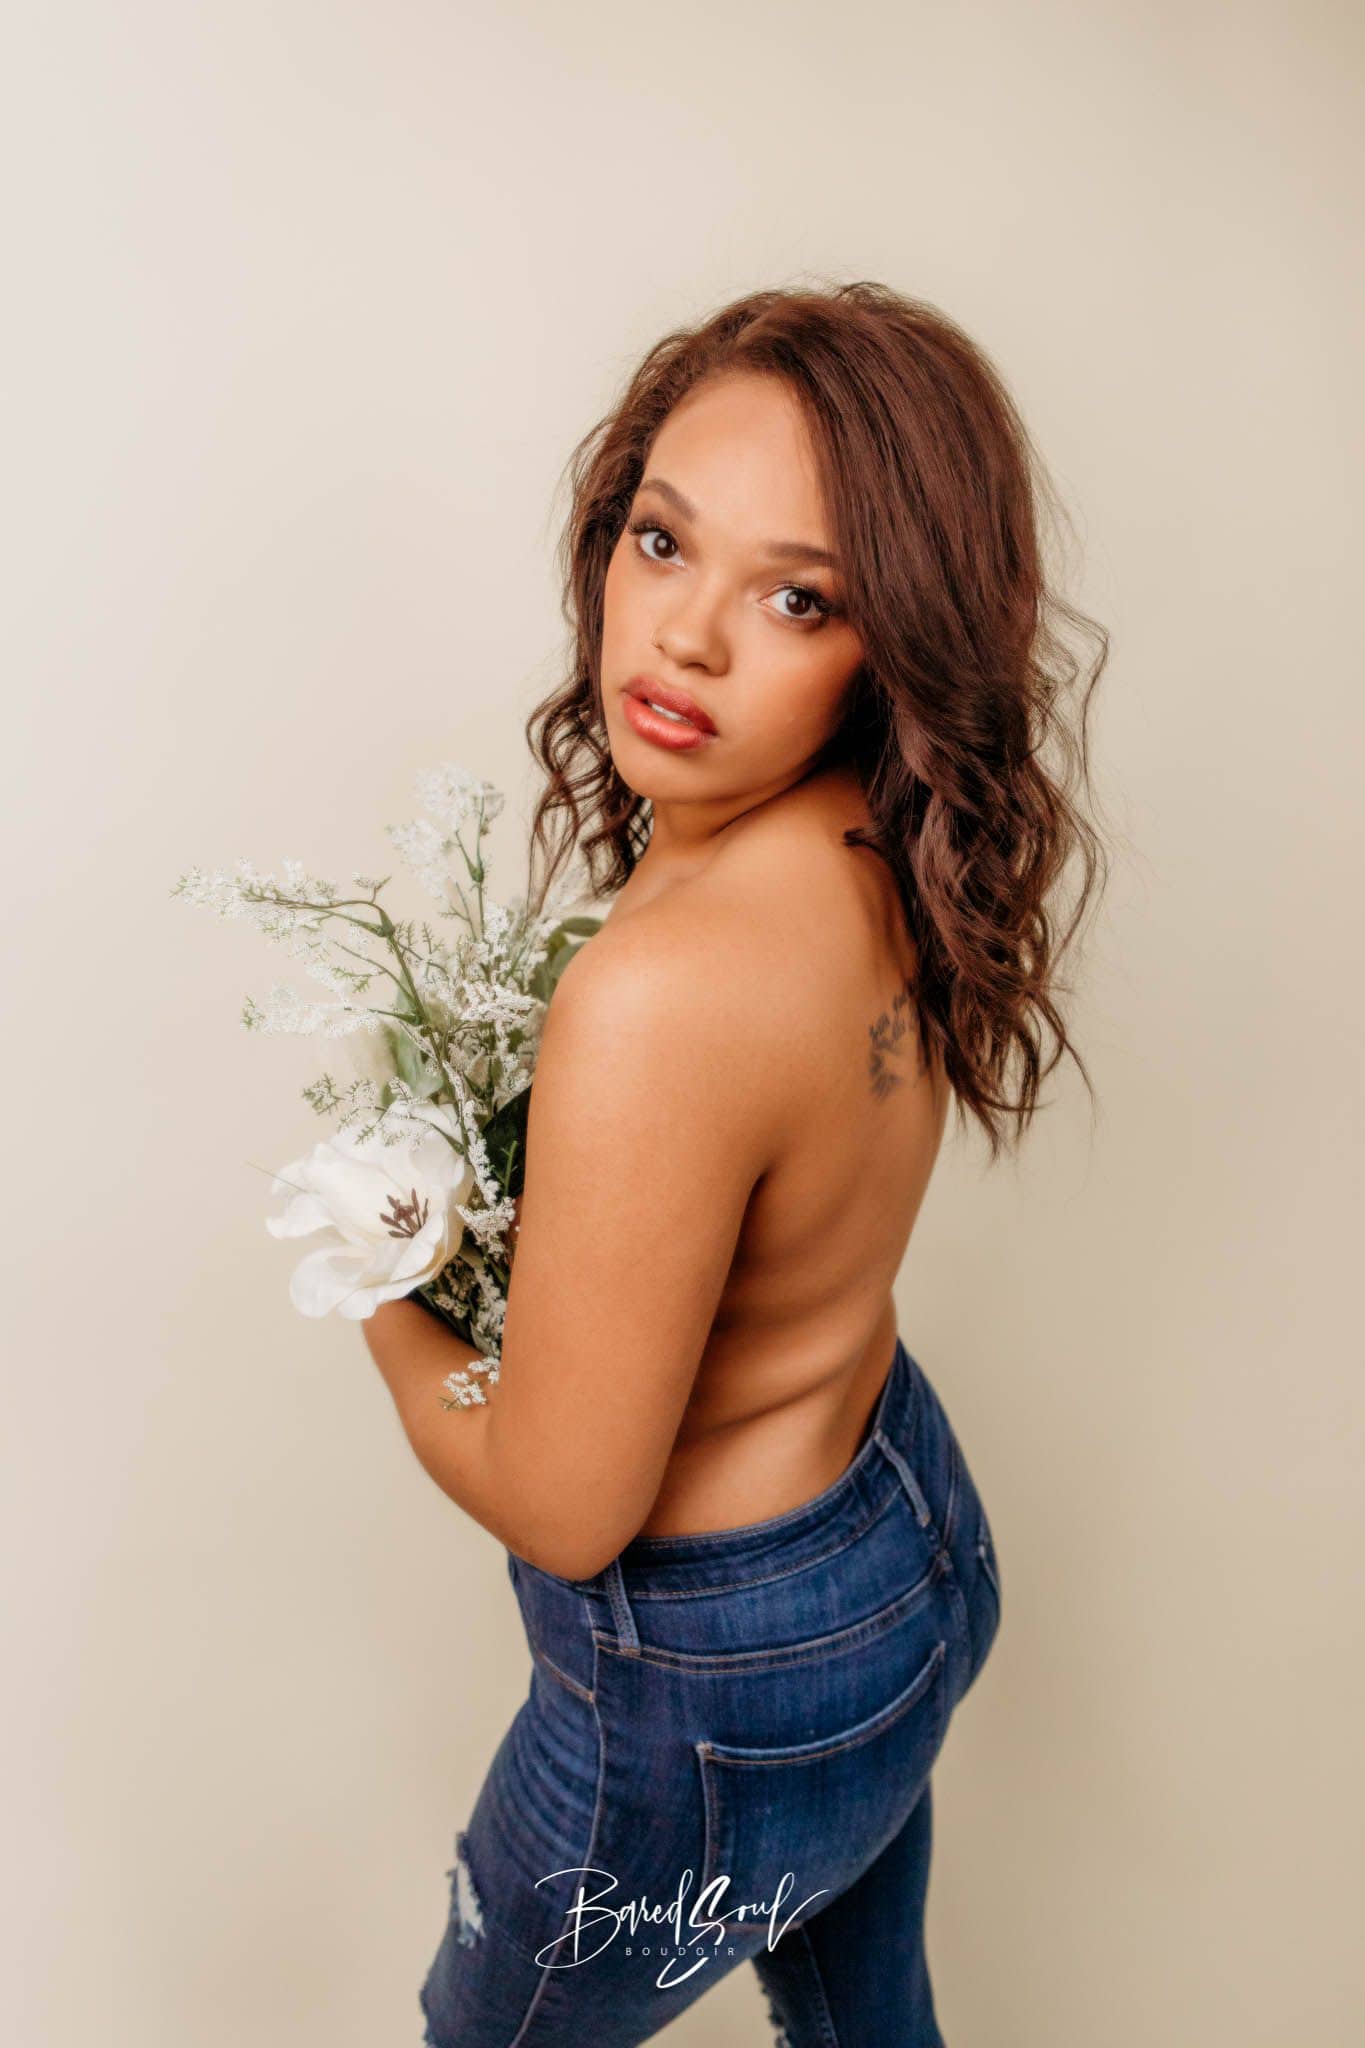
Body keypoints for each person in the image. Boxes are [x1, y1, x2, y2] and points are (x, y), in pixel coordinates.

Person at [363, 280, 1110, 2046]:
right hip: (905, 1539)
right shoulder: (883, 844)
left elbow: (565, 1502)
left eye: (794, 597)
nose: (684, 638)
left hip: (716, 1691)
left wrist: (381, 1277)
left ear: (892, 640)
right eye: (658, 540)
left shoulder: (659, 993)